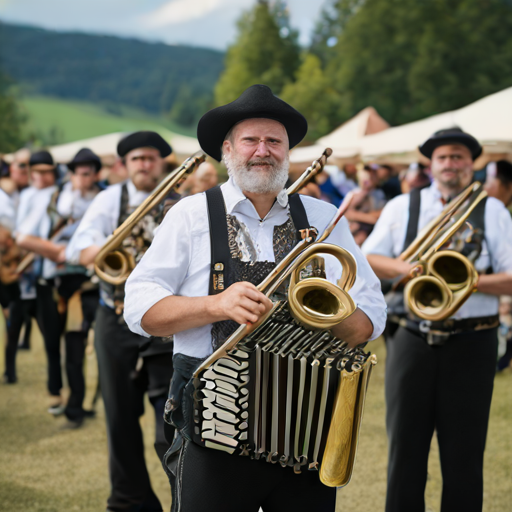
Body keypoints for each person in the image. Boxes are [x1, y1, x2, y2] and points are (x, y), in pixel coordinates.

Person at [124, 84, 386, 512]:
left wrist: (326, 312)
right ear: (228, 150)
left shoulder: (322, 217)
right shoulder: (191, 215)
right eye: (250, 140)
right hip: (214, 420)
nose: (262, 150)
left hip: (305, 420)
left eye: (274, 141)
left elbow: (370, 315)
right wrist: (214, 304)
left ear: (287, 152)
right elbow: (138, 309)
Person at [362, 127, 512, 512]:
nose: (451, 164)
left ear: (472, 164)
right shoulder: (401, 206)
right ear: (431, 164)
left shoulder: (492, 210)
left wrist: (465, 282)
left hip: (473, 340)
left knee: (465, 452)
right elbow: (369, 256)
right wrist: (404, 268)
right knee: (404, 448)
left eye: (459, 157)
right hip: (412, 336)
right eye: (443, 157)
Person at [67, 132, 175, 512]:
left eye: (150, 158)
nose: (144, 164)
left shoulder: (185, 202)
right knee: (119, 416)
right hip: (115, 318)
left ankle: (189, 498)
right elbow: (79, 250)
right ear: (123, 165)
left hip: (168, 324)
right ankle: (130, 501)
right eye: (136, 159)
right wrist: (115, 240)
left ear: (162, 162)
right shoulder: (109, 199)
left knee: (172, 420)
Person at [345, 165, 386, 246]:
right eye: (365, 177)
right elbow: (347, 213)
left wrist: (357, 215)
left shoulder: (378, 194)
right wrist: (371, 218)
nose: (367, 180)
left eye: (371, 176)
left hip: (372, 233)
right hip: (356, 233)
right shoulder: (354, 194)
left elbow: (381, 214)